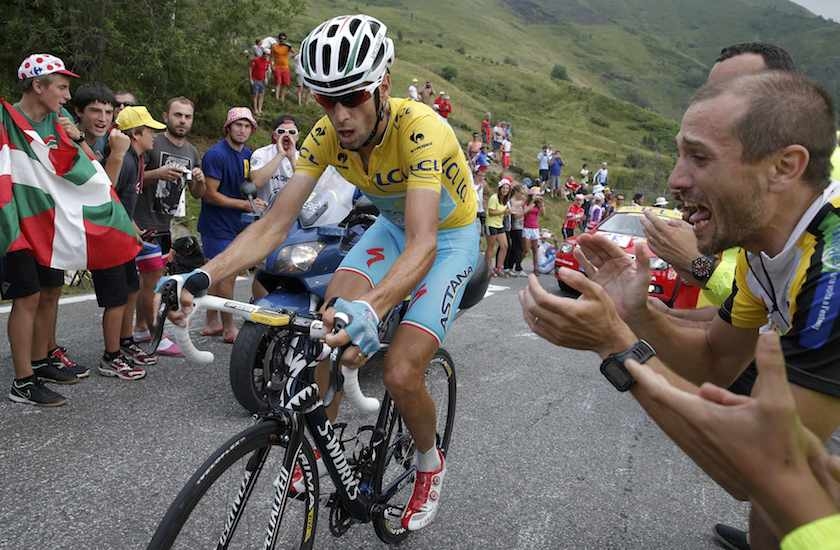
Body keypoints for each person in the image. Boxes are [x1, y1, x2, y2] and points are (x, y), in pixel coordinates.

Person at [167, 15, 479, 531]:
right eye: (325, 100)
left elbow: (424, 242)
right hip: (391, 227)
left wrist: (373, 309)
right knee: (326, 324)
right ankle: (320, 446)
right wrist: (200, 277)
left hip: (446, 237)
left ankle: (429, 463)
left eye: (352, 97)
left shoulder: (421, 128)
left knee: (401, 371)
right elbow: (274, 223)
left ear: (383, 86)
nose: (340, 115)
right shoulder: (326, 134)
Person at [521, 71, 840, 550]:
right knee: (772, 522)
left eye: (699, 157)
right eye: (679, 154)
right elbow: (715, 359)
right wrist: (637, 314)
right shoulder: (762, 245)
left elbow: (758, 471)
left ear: (784, 167)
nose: (676, 180)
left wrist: (615, 345)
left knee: (791, 509)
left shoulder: (833, 262)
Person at [4, 54, 87, 406]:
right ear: (38, 86)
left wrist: (77, 137)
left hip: (50, 224)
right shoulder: (6, 119)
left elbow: (90, 170)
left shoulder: (60, 121)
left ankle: (40, 361)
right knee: (27, 296)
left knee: (50, 290)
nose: (67, 96)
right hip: (15, 224)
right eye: (62, 88)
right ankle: (23, 382)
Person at [92, 105, 166, 380]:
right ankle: (110, 357)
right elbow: (105, 198)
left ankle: (125, 342)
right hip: (108, 240)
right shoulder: (124, 161)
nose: (154, 136)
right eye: (150, 131)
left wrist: (136, 230)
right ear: (136, 134)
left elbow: (124, 203)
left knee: (131, 289)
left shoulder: (137, 159)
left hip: (123, 238)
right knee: (116, 299)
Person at [133, 97, 205, 355]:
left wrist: (199, 180)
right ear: (166, 116)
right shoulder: (152, 143)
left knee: (151, 280)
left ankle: (140, 328)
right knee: (149, 282)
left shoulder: (192, 152)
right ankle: (154, 333)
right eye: (178, 115)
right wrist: (157, 174)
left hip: (165, 223)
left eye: (187, 116)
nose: (182, 121)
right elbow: (130, 177)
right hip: (141, 221)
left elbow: (197, 193)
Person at [197, 107, 262, 343]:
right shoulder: (216, 155)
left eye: (247, 126)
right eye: (238, 125)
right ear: (228, 127)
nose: (242, 130)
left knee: (217, 275)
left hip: (236, 224)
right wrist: (244, 205)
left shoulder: (249, 155)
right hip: (216, 225)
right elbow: (209, 194)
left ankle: (211, 322)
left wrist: (253, 202)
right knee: (226, 276)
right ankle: (228, 327)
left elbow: (249, 187)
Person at [249, 114, 299, 207]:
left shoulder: (303, 157)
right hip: (264, 209)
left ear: (297, 136)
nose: (287, 135)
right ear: (275, 136)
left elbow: (306, 186)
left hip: (291, 211)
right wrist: (280, 155)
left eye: (292, 132)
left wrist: (292, 158)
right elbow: (256, 183)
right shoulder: (261, 153)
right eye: (281, 131)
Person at [485, 179, 511, 277]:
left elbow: (504, 213)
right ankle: (488, 268)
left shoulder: (505, 200)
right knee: (491, 247)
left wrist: (507, 213)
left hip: (499, 225)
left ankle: (499, 268)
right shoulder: (494, 197)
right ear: (500, 188)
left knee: (505, 246)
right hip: (491, 224)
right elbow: (491, 212)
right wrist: (503, 212)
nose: (505, 190)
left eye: (507, 188)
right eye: (503, 188)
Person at [523, 187, 544, 274]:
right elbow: (524, 212)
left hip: (535, 228)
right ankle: (517, 264)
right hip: (526, 227)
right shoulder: (527, 202)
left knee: (535, 249)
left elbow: (543, 214)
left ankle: (536, 268)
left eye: (538, 194)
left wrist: (541, 204)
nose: (537, 196)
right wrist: (532, 202)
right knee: (526, 249)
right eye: (536, 194)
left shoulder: (538, 204)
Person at [270, 32, 295, 104]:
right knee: (278, 82)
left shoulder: (287, 46)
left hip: (285, 67)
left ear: (285, 39)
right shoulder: (274, 46)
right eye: (281, 39)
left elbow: (294, 52)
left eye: (284, 39)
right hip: (277, 67)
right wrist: (272, 65)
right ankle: (277, 98)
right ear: (279, 39)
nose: (282, 40)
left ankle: (282, 98)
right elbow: (271, 56)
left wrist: (289, 57)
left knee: (285, 83)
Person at [249, 50, 270, 115]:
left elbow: (266, 70)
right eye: (266, 54)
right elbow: (250, 68)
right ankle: (255, 109)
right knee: (255, 95)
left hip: (262, 80)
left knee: (261, 95)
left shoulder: (267, 62)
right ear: (263, 54)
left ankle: (260, 109)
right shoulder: (256, 60)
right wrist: (251, 79)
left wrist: (266, 78)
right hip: (255, 79)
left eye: (268, 55)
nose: (267, 56)